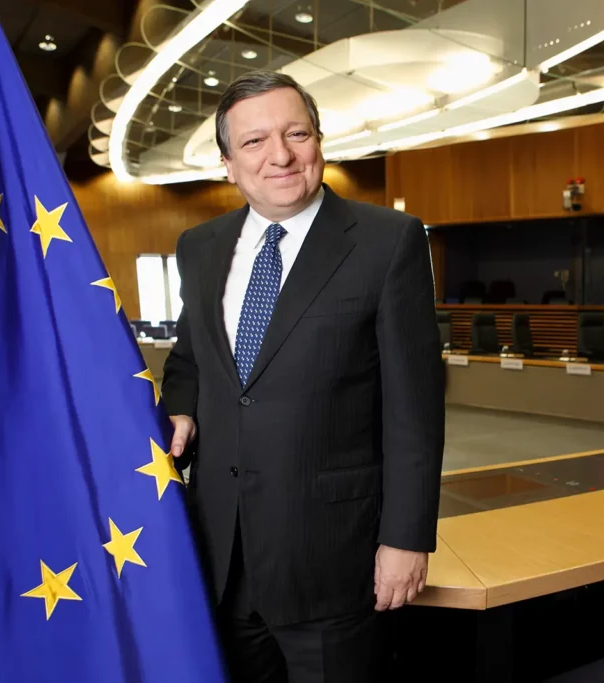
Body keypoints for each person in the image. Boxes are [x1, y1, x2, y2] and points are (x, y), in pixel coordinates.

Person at [161, 70, 445, 683]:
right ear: (228, 164)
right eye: (255, 142)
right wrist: (181, 406)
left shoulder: (387, 241)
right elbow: (190, 359)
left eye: (297, 133)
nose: (281, 155)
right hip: (221, 555)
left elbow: (414, 409)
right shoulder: (198, 247)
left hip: (333, 561)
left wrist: (407, 538)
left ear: (320, 140)